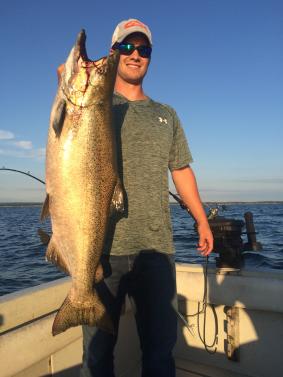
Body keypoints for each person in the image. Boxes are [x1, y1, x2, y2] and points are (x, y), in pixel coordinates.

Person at [80, 19, 214, 377]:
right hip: (100, 250)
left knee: (159, 355)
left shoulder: (166, 114)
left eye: (143, 49)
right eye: (127, 47)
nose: (135, 55)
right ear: (113, 53)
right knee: (96, 359)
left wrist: (201, 219)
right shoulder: (94, 105)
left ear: (150, 57)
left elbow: (181, 170)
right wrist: (70, 81)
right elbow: (67, 121)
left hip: (156, 250)